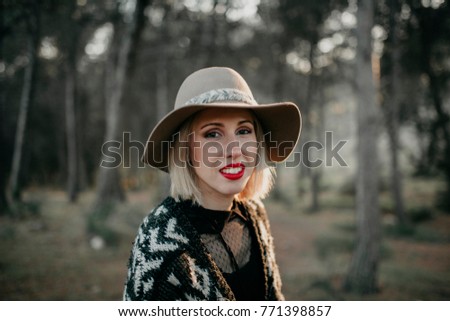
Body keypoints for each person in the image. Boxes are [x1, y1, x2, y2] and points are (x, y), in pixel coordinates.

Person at [123, 67, 301, 301]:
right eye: (213, 134)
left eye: (244, 131)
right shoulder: (158, 243)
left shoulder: (255, 215)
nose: (235, 150)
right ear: (185, 148)